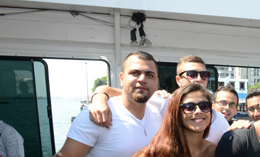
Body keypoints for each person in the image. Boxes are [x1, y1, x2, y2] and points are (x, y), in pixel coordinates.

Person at [89, 54, 230, 145]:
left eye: (204, 75)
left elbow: (231, 139)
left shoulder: (216, 118)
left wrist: (239, 125)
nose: (199, 79)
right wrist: (99, 98)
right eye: (192, 74)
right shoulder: (162, 101)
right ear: (178, 80)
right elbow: (119, 92)